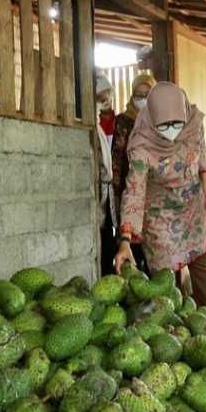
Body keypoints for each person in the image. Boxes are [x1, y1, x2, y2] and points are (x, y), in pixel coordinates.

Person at [113, 82, 206, 315]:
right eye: (165, 125)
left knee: (201, 267)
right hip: (160, 215)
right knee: (165, 281)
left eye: (176, 124)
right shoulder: (141, 146)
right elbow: (134, 191)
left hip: (192, 206)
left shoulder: (193, 123)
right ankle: (174, 330)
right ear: (151, 118)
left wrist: (205, 176)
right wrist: (125, 240)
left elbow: (201, 151)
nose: (172, 130)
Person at [112, 73, 158, 275]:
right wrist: (116, 188)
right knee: (132, 239)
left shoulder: (161, 120)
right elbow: (117, 157)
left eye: (147, 94)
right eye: (138, 95)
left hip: (155, 191)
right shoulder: (124, 121)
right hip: (130, 185)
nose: (142, 99)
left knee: (156, 245)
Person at [95, 74, 117, 276]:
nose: (105, 99)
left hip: (111, 191)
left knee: (111, 237)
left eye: (107, 94)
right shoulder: (92, 124)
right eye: (100, 95)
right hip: (99, 191)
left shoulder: (117, 123)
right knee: (102, 237)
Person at [95, 74, 116, 146]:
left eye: (108, 93)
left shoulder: (118, 121)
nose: (106, 100)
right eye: (99, 97)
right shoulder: (95, 122)